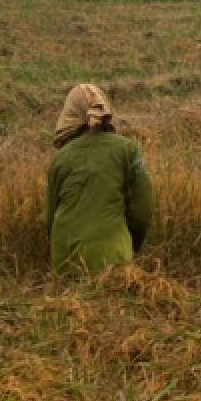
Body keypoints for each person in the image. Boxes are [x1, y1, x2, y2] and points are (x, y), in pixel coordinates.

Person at [44, 84, 153, 272]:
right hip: (112, 257)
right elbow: (142, 210)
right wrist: (131, 243)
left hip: (65, 259)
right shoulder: (128, 150)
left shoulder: (60, 158)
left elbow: (49, 218)